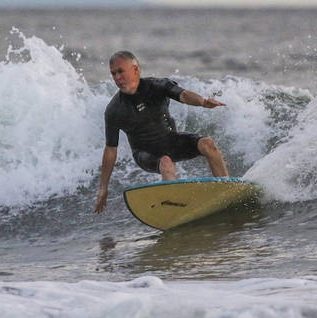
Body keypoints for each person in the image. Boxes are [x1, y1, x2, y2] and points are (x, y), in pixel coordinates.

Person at [94, 51, 228, 213]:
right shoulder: (114, 110)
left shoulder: (157, 86)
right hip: (145, 153)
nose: (117, 78)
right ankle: (176, 208)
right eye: (113, 73)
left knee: (207, 144)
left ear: (135, 70)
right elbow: (110, 150)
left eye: (120, 71)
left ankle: (226, 190)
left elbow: (183, 95)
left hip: (171, 141)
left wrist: (202, 102)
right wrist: (103, 188)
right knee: (165, 163)